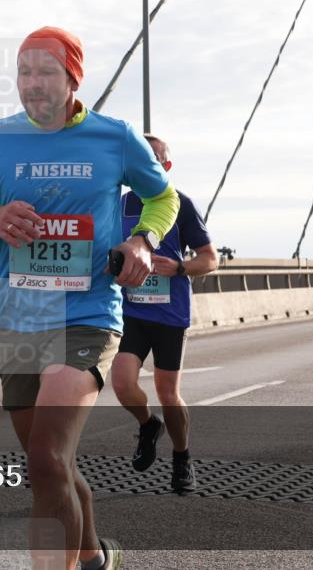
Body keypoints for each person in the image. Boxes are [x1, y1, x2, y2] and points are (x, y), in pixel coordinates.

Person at [0, 26, 179, 570]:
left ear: (74, 79)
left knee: (49, 456)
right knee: (47, 463)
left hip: (89, 314)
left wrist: (143, 240)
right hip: (22, 318)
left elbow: (161, 196)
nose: (33, 84)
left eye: (46, 72)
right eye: (24, 72)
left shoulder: (115, 136)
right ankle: (95, 554)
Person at [110, 134, 218, 494]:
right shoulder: (118, 206)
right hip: (131, 312)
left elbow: (210, 258)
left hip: (170, 314)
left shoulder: (180, 204)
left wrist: (180, 268)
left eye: (158, 159)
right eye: (143, 158)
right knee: (123, 383)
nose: (151, 164)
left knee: (168, 393)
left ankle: (182, 457)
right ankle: (147, 424)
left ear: (167, 167)